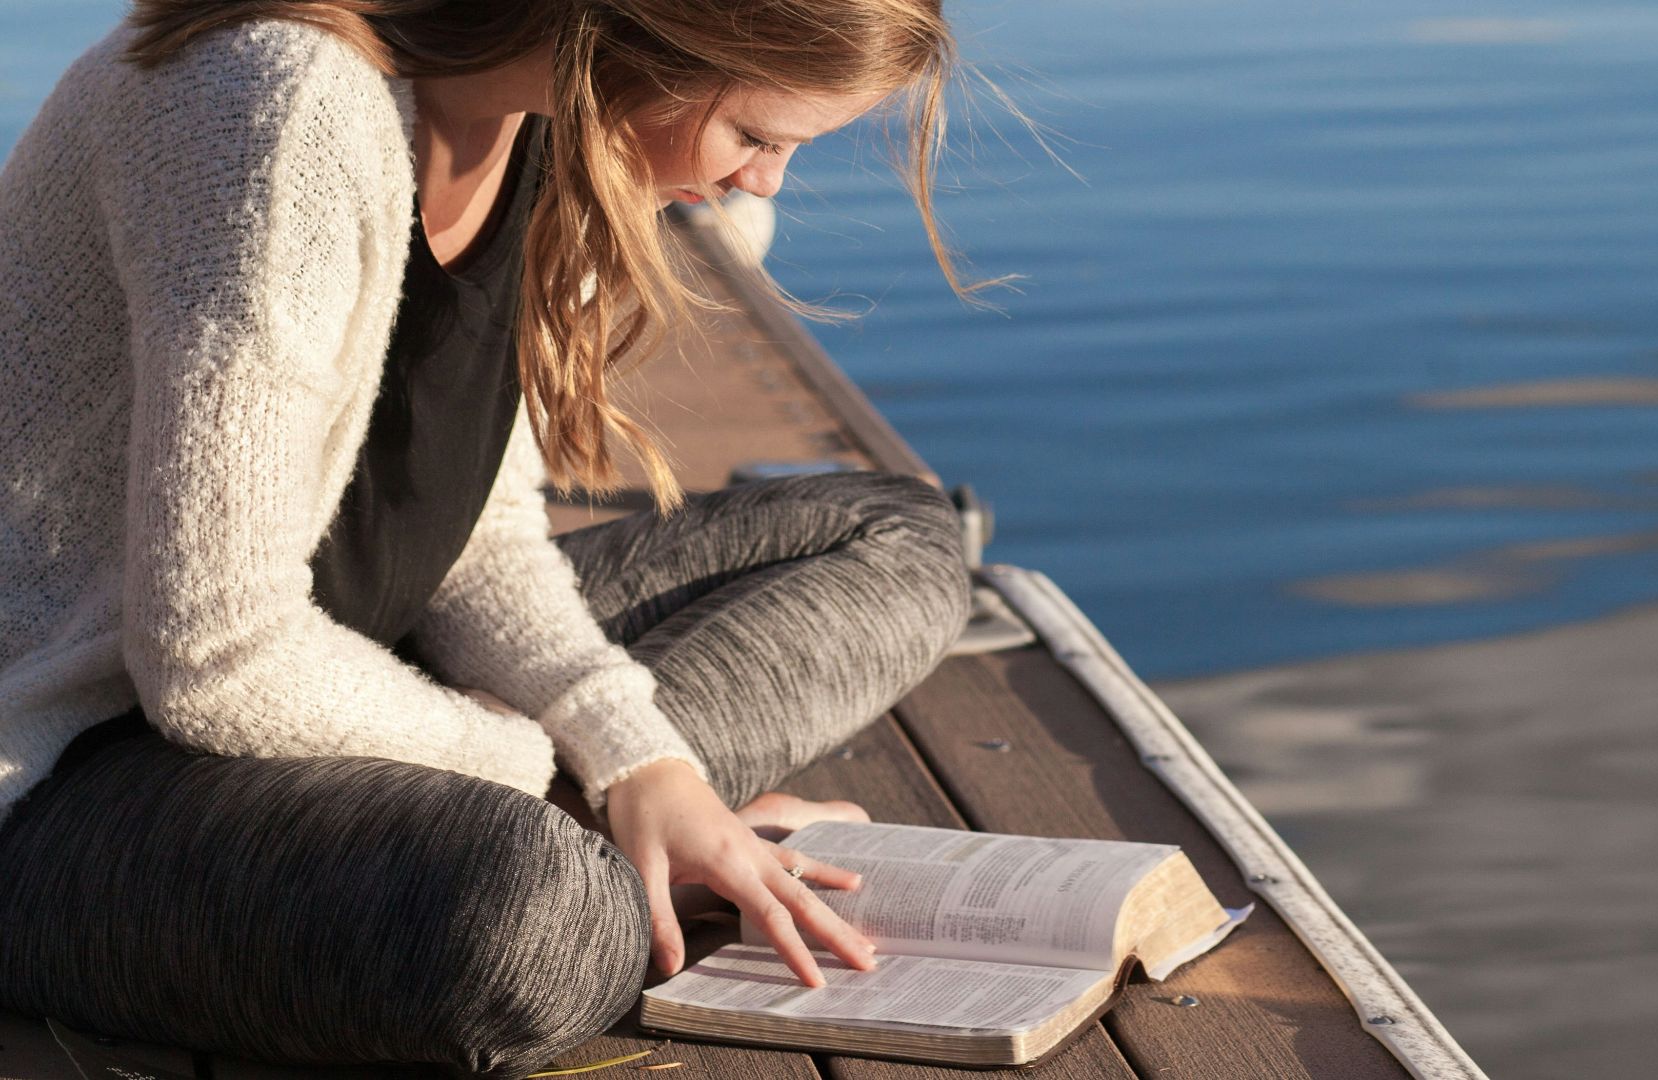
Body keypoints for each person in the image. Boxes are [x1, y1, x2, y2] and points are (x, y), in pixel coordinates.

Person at [0, 1, 975, 1075]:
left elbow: (472, 532)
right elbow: (214, 660)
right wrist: (558, 784)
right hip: (70, 769)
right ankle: (610, 862)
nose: (763, 184)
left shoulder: (547, 122)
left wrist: (639, 761)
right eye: (754, 136)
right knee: (532, 923)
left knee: (894, 537)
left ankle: (649, 844)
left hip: (350, 673)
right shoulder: (277, 110)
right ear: (638, 37)